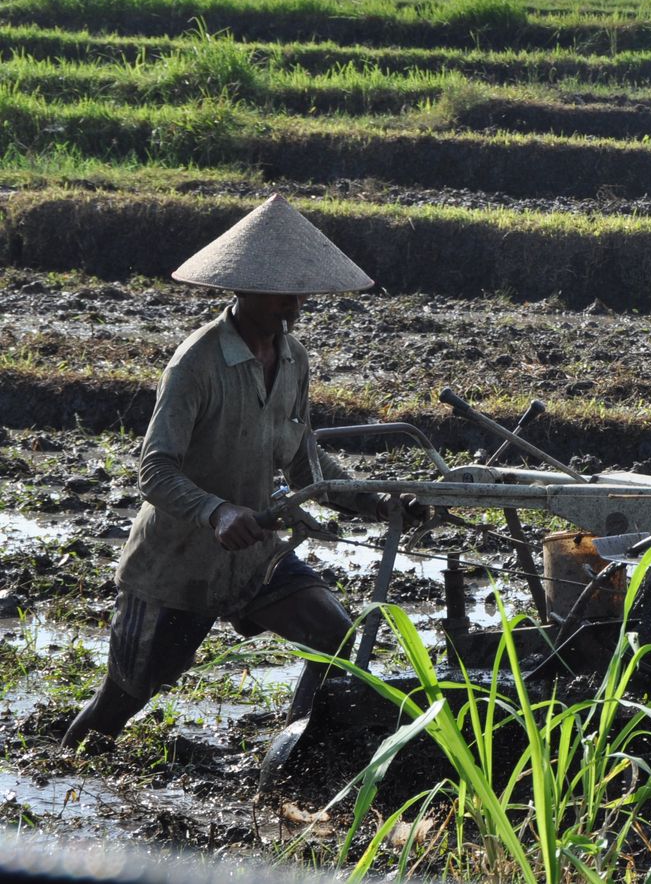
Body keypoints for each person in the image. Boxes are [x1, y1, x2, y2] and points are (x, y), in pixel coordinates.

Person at [63, 195, 413, 748]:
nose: (292, 303)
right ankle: (58, 783)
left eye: (299, 290)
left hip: (255, 554)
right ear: (242, 289)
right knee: (124, 697)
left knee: (337, 636)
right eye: (279, 291)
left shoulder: (294, 357)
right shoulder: (195, 363)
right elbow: (154, 470)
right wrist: (216, 510)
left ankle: (297, 752)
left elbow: (304, 460)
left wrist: (371, 500)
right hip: (180, 562)